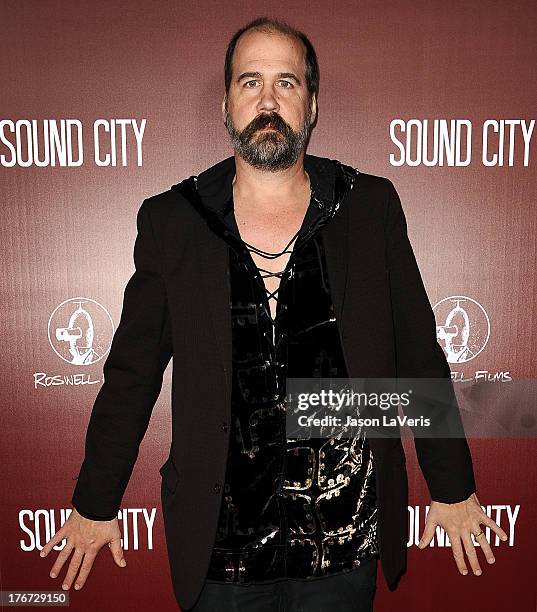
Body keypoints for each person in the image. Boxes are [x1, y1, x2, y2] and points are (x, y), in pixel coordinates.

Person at [40, 17, 508, 611]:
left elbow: (418, 353)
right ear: (227, 102)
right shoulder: (173, 221)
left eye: (286, 83)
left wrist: (452, 486)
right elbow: (132, 375)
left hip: (347, 543)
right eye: (250, 82)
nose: (267, 100)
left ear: (312, 104)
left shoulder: (368, 208)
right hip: (221, 552)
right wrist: (95, 500)